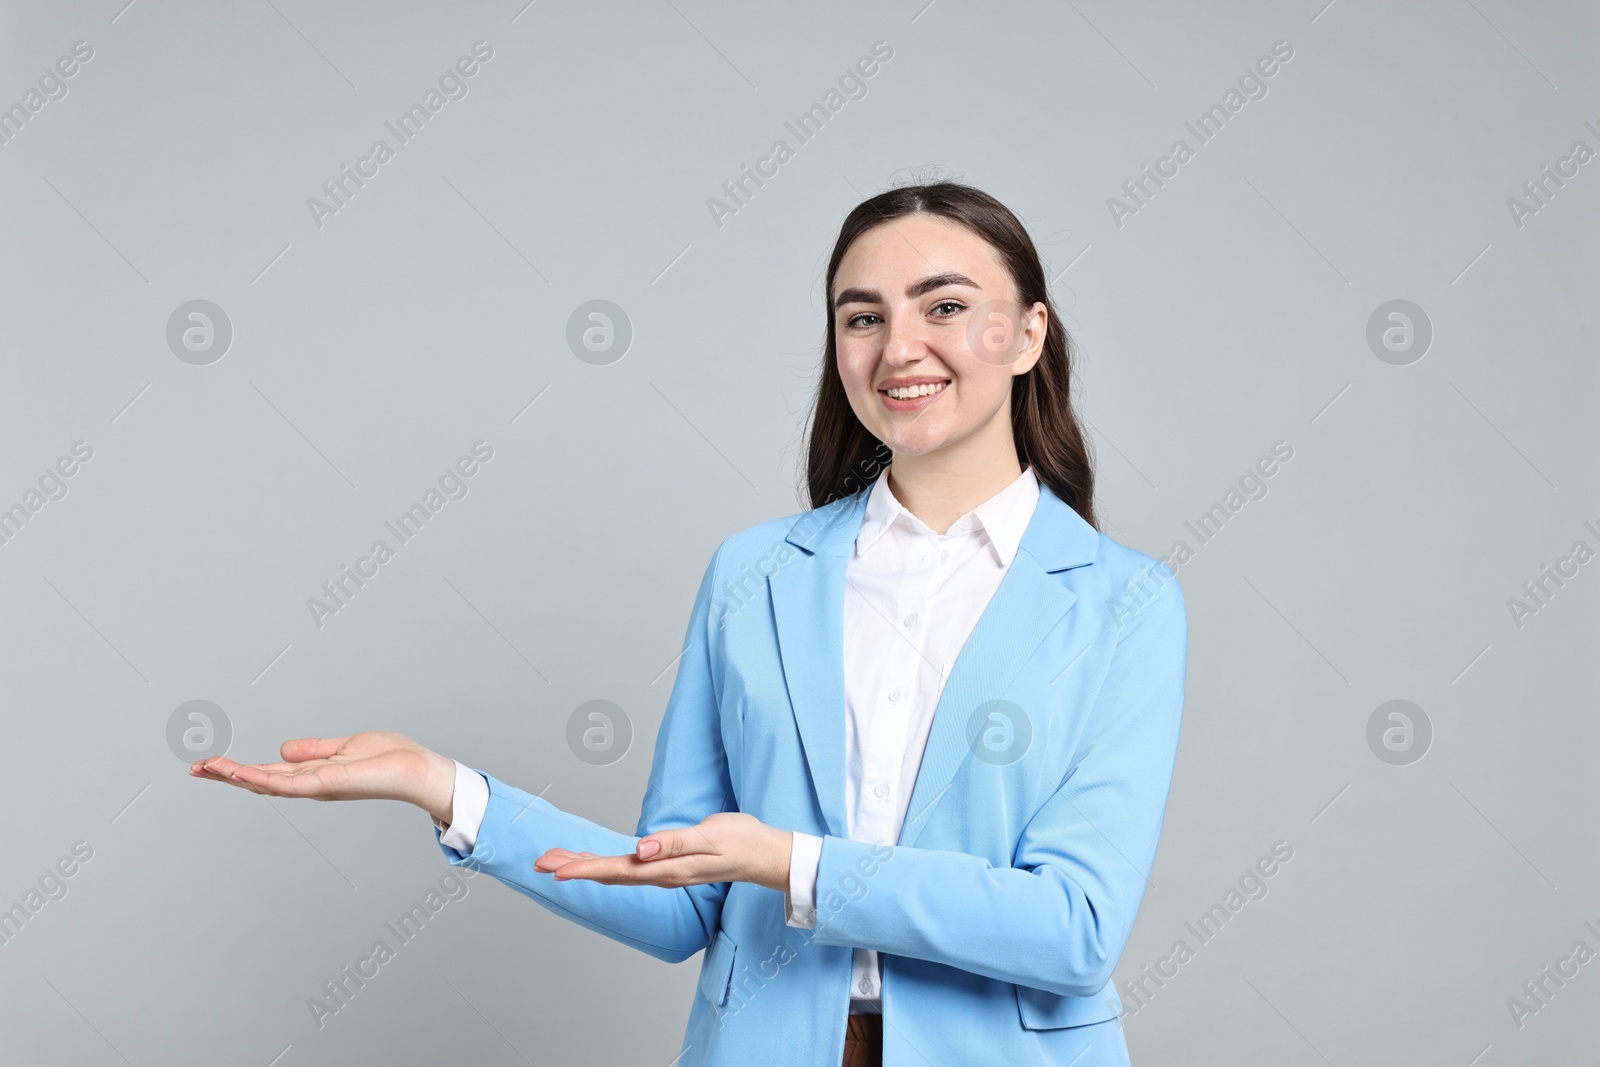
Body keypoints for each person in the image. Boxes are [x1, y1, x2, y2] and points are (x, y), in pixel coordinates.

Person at [195, 181, 1189, 1067]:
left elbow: (1075, 926)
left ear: (1027, 334)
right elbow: (684, 895)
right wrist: (446, 789)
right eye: (861, 316)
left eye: (946, 306)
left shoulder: (1123, 603)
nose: (898, 348)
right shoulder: (752, 573)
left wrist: (790, 861)